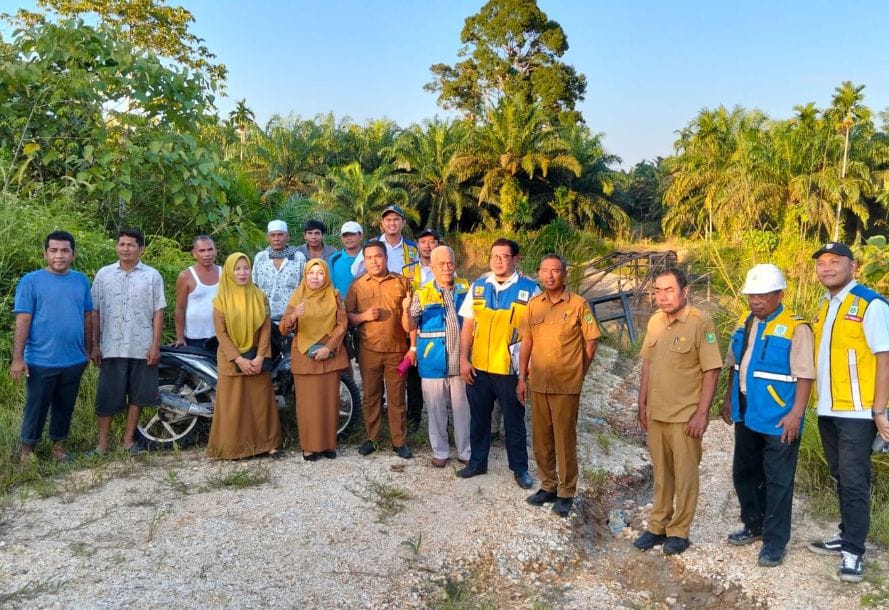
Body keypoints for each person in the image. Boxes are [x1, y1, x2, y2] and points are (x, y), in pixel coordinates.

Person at [720, 264, 814, 567]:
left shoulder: (795, 327)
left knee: (778, 480)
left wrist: (796, 415)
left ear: (779, 294)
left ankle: (775, 542)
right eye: (752, 295)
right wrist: (727, 400)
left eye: (762, 295)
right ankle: (753, 525)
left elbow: (805, 376)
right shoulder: (745, 321)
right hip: (746, 410)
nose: (756, 301)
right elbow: (736, 366)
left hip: (779, 416)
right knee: (744, 472)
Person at [806, 242, 889, 583]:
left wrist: (880, 410)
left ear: (853, 266)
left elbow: (885, 358)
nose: (827, 268)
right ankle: (846, 535)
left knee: (854, 482)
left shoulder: (871, 305)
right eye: (822, 263)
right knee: (841, 475)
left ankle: (853, 552)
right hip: (829, 409)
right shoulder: (826, 306)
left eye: (835, 262)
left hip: (858, 413)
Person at [634, 267, 721, 556]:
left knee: (685, 475)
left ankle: (679, 531)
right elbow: (648, 364)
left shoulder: (700, 322)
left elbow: (711, 371)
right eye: (657, 290)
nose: (662, 296)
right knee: (661, 474)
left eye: (668, 290)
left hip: (685, 415)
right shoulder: (655, 322)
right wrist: (642, 402)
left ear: (684, 292)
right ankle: (657, 525)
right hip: (657, 414)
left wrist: (702, 414)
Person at [518, 254, 600, 517]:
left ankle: (566, 491)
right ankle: (548, 485)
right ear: (539, 274)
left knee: (564, 439)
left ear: (565, 274)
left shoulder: (579, 305)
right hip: (539, 382)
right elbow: (526, 343)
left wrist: (579, 372)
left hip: (566, 384)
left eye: (555, 271)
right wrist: (522, 378)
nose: (549, 275)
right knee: (541, 438)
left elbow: (591, 342)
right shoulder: (533, 305)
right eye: (544, 271)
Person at [457, 238, 540, 489]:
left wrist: (526, 372)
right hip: (479, 368)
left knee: (514, 421)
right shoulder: (479, 287)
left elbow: (534, 334)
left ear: (516, 259)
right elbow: (468, 326)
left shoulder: (530, 289)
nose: (498, 261)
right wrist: (463, 359)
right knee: (479, 418)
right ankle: (477, 463)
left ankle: (520, 469)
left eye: (504, 256)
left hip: (510, 370)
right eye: (494, 256)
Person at [11, 231, 93, 462]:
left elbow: (87, 316)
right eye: (54, 250)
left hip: (74, 359)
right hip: (40, 360)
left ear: (73, 254)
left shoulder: (81, 280)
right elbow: (23, 320)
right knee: (35, 408)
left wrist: (89, 348)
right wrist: (18, 358)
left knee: (64, 407)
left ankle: (59, 448)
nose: (59, 255)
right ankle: (28, 452)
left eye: (65, 250)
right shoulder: (31, 281)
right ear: (45, 253)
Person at [91, 229, 165, 454]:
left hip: (142, 347)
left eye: (131, 245)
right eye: (121, 244)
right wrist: (94, 345)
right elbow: (94, 311)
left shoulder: (152, 276)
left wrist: (154, 345)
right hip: (110, 347)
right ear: (116, 247)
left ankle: (128, 441)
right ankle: (102, 444)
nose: (125, 248)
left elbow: (158, 312)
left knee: (138, 395)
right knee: (107, 397)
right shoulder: (104, 275)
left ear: (141, 249)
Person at [207, 253, 283, 460]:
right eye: (237, 269)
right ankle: (232, 449)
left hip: (257, 358)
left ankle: (267, 444)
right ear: (230, 272)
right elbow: (221, 334)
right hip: (232, 361)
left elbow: (266, 330)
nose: (242, 273)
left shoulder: (260, 297)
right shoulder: (220, 300)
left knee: (260, 404)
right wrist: (239, 359)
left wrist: (259, 357)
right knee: (233, 406)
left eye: (245, 268)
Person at [345, 241, 414, 459]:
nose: (374, 261)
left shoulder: (402, 283)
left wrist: (412, 347)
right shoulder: (357, 286)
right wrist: (364, 317)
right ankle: (372, 439)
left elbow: (412, 318)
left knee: (396, 398)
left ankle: (399, 441)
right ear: (364, 260)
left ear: (385, 257)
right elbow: (347, 316)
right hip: (369, 351)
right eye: (369, 258)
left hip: (396, 350)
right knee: (371, 396)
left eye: (378, 256)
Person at [279, 258, 349, 461]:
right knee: (308, 404)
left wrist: (328, 347)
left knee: (329, 402)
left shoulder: (334, 295)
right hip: (304, 356)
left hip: (330, 355)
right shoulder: (298, 296)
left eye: (320, 273)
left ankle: (328, 445)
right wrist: (294, 316)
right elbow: (283, 328)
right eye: (311, 273)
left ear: (326, 275)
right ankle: (309, 447)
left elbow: (342, 324)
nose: (315, 277)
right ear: (305, 275)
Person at [408, 245, 471, 467]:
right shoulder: (422, 293)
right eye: (441, 264)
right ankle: (440, 451)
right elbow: (411, 324)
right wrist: (413, 347)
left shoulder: (467, 289)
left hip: (461, 360)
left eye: (450, 263)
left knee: (463, 409)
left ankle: (466, 451)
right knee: (435, 409)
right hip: (433, 360)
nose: (446, 267)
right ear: (432, 267)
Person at [253, 220, 307, 320]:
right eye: (272, 235)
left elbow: (305, 287)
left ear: (287, 237)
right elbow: (254, 286)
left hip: (291, 317)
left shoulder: (299, 258)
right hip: (264, 317)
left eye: (280, 235)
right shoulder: (260, 258)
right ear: (267, 238)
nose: (276, 239)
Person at [172, 235, 220, 348]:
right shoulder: (186, 276)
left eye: (210, 249)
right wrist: (180, 337)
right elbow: (180, 309)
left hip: (220, 336)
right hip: (194, 337)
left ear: (215, 251)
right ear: (194, 253)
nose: (207, 254)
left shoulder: (224, 273)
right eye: (202, 251)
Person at [350, 205, 419, 278]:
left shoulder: (412, 248)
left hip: (404, 288)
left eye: (396, 219)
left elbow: (418, 274)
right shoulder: (371, 245)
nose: (392, 223)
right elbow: (355, 272)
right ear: (382, 223)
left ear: (403, 222)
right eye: (388, 220)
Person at [329, 221, 363, 299]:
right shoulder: (334, 259)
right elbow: (330, 286)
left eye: (352, 234)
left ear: (360, 236)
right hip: (341, 306)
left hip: (365, 305)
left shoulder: (368, 256)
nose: (348, 238)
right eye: (345, 235)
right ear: (341, 238)